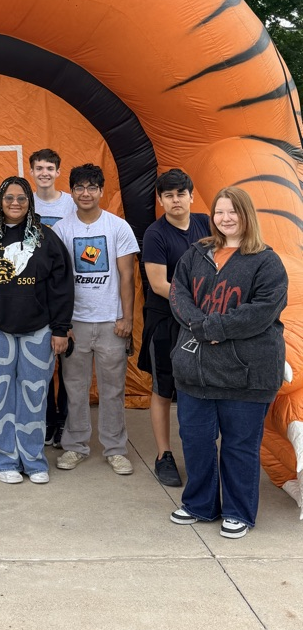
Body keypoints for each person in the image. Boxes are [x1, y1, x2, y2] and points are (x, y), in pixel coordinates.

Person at [168, 187, 288, 538]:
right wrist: (201, 326)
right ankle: (199, 504)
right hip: (196, 370)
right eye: (220, 212)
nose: (226, 218)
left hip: (246, 373)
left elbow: (263, 310)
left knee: (239, 445)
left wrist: (215, 328)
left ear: (246, 215)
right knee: (196, 440)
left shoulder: (266, 261)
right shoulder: (196, 253)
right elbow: (178, 293)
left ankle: (238, 512)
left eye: (233, 211)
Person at [0, 176, 74, 483]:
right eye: (9, 198)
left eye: (22, 198)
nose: (15, 203)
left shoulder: (46, 239)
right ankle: (1, 461)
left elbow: (62, 287)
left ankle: (33, 461)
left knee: (34, 395)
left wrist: (60, 329)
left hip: (39, 328)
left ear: (29, 202)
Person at [54, 164, 140, 476]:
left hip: (111, 323)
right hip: (75, 323)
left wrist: (126, 318)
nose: (86, 193)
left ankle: (115, 449)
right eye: (79, 187)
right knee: (75, 388)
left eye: (92, 187)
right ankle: (75, 446)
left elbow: (127, 276)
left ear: (102, 191)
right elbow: (58, 280)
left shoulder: (118, 227)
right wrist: (63, 324)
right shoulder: (61, 229)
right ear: (72, 192)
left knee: (113, 389)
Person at [139, 169, 210, 487]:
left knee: (201, 388)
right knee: (163, 389)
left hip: (203, 321)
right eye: (168, 195)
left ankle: (201, 452)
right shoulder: (155, 234)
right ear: (160, 200)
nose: (175, 200)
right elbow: (158, 284)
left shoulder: (206, 224)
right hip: (167, 322)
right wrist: (198, 304)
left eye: (181, 193)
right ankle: (163, 455)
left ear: (191, 196)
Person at [29, 147, 76, 448]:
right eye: (39, 168)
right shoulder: (25, 202)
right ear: (31, 172)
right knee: (41, 364)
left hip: (66, 289)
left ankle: (65, 422)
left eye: (50, 168)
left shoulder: (71, 203)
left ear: (58, 172)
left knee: (69, 365)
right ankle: (46, 420)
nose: (44, 173)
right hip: (36, 293)